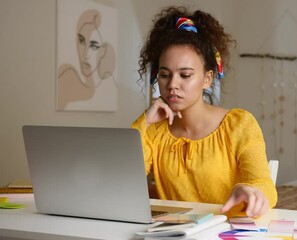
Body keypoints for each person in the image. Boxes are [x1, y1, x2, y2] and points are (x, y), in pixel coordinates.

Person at [132, 6, 277, 218]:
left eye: (185, 75)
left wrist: (249, 190)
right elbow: (121, 180)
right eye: (164, 75)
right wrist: (144, 122)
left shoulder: (239, 124)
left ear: (207, 79)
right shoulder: (154, 132)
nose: (173, 84)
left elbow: (264, 185)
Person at [57, 9, 117, 111]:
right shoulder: (67, 75)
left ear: (103, 51)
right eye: (81, 41)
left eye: (93, 46)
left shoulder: (111, 87)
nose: (85, 54)